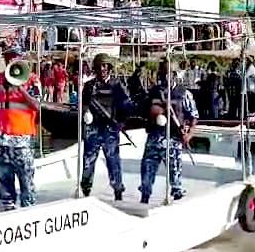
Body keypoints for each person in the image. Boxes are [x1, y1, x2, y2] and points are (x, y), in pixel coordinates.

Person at [0, 46, 41, 211]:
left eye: (15, 57)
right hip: (1, 140)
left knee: (27, 187)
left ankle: (28, 216)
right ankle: (7, 214)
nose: (11, 60)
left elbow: (37, 105)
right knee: (4, 190)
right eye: (8, 58)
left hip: (22, 141)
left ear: (22, 59)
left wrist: (22, 89)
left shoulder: (33, 80)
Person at [139, 69, 199, 204]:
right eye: (163, 73)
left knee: (175, 173)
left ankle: (176, 197)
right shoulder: (153, 92)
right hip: (154, 138)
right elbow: (143, 112)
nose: (166, 77)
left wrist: (189, 133)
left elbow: (194, 116)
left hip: (173, 139)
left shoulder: (184, 94)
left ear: (174, 75)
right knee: (147, 171)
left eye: (169, 73)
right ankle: (144, 197)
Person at [80, 55, 133, 200]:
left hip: (110, 129)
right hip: (93, 129)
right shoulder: (90, 85)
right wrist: (86, 112)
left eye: (105, 66)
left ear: (109, 67)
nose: (102, 69)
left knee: (113, 161)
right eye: (99, 66)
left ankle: (118, 191)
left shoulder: (117, 85)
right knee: (88, 161)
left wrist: (122, 121)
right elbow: (83, 103)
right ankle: (85, 189)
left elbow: (127, 104)